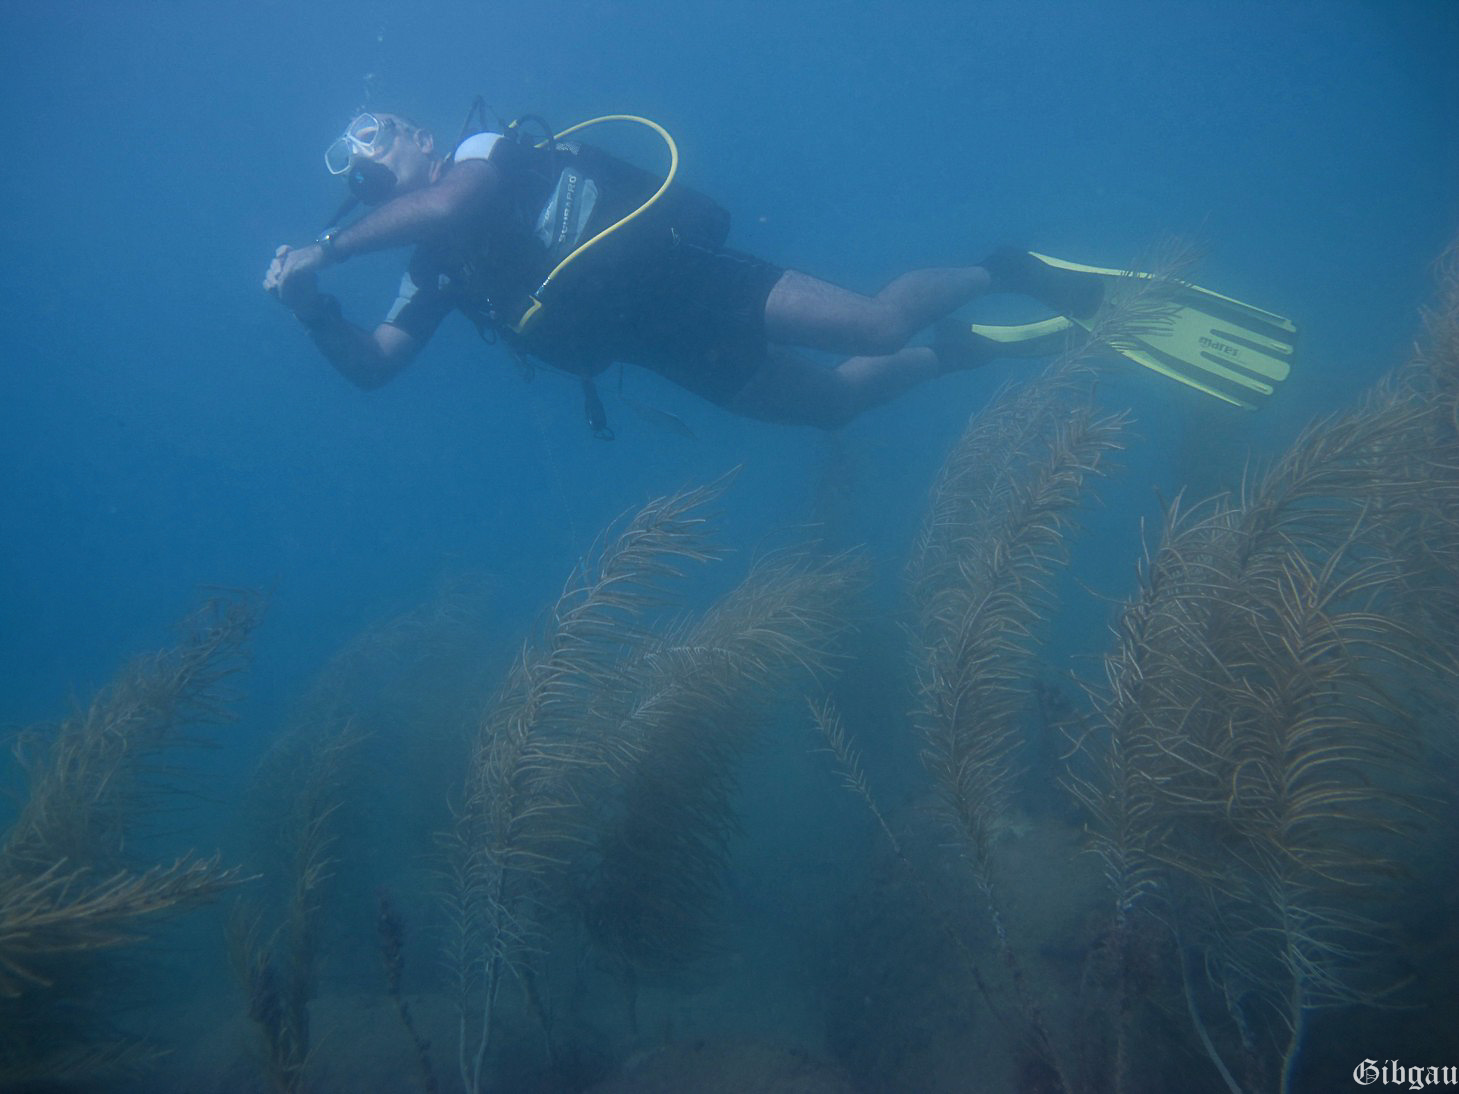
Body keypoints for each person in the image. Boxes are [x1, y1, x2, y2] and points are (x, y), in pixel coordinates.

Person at [261, 110, 1084, 431]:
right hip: (653, 344)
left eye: (381, 134)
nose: (366, 161)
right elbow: (375, 366)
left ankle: (1002, 269)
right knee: (831, 405)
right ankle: (973, 350)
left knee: (876, 324)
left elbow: (448, 208)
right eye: (354, 167)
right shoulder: (431, 271)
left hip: (686, 276)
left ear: (422, 139)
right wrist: (312, 310)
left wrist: (326, 250)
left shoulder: (482, 152)